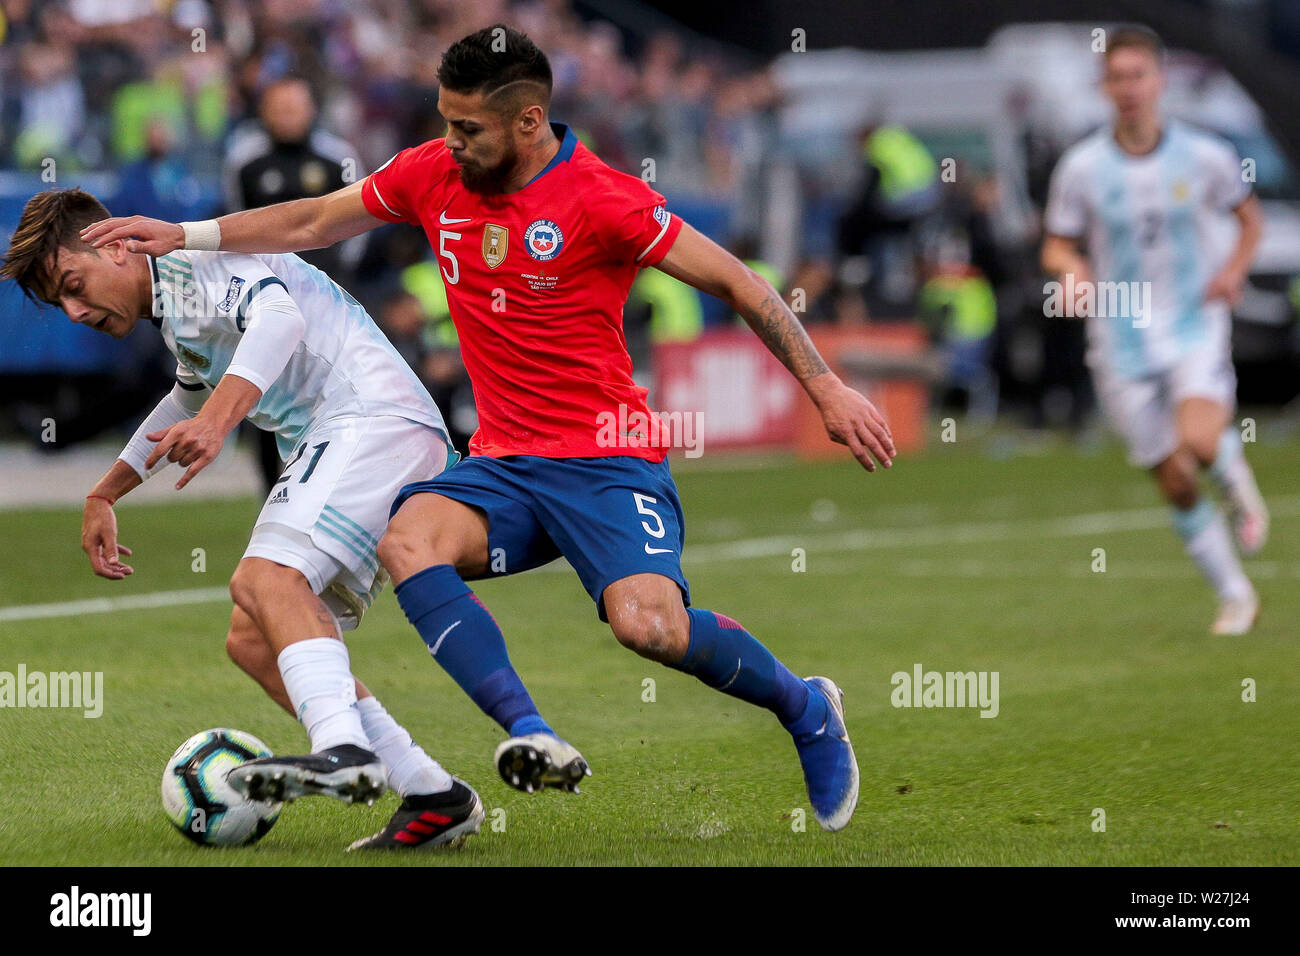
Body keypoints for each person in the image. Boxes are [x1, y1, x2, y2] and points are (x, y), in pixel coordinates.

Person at [81, 24, 896, 832]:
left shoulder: (604, 197)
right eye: (445, 121)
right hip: (502, 462)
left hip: (607, 461)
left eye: (468, 128)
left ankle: (805, 706)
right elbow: (312, 224)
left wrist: (823, 387)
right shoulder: (432, 173)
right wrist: (186, 236)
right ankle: (531, 733)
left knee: (648, 628)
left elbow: (741, 283)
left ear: (529, 122)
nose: (451, 141)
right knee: (408, 542)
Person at [3, 187, 483, 850]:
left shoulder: (192, 259)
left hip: (370, 423)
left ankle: (343, 750)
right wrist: (106, 492)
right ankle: (433, 793)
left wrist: (217, 422)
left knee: (266, 580)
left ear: (116, 246)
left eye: (74, 286)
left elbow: (278, 321)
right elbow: (189, 390)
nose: (76, 310)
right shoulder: (174, 302)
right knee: (254, 637)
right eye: (62, 302)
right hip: (361, 437)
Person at [1041, 26, 1269, 635]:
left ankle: (1232, 472)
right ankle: (1235, 593)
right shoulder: (1082, 167)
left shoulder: (1205, 155)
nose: (1129, 88)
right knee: (1171, 477)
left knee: (1197, 442)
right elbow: (1056, 246)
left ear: (1159, 80)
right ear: (1104, 86)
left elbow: (1250, 219)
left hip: (1194, 324)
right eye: (1117, 77)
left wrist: (1233, 271)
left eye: (1138, 75)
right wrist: (1072, 270)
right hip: (1119, 341)